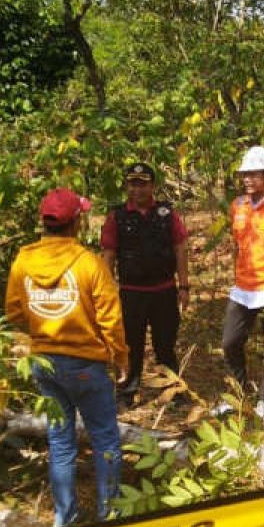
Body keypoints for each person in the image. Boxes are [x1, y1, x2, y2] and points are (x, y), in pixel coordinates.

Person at [4, 187, 128, 527]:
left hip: (45, 362)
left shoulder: (24, 260)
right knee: (104, 439)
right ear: (76, 222)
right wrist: (121, 358)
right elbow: (110, 319)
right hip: (86, 365)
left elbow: (14, 311)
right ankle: (110, 515)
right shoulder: (90, 264)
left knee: (60, 443)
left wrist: (42, 328)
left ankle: (65, 519)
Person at [101, 162, 190, 406]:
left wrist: (184, 285)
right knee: (130, 346)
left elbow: (180, 248)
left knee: (166, 344)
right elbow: (108, 256)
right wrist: (108, 293)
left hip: (164, 291)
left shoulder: (167, 214)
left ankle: (174, 390)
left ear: (153, 186)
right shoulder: (116, 217)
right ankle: (127, 392)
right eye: (132, 184)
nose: (137, 190)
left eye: (142, 184)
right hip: (131, 293)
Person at [222, 146, 264, 415]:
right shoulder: (237, 206)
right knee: (230, 341)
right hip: (243, 288)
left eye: (254, 173)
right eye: (245, 174)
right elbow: (238, 245)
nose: (248, 179)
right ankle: (237, 396)